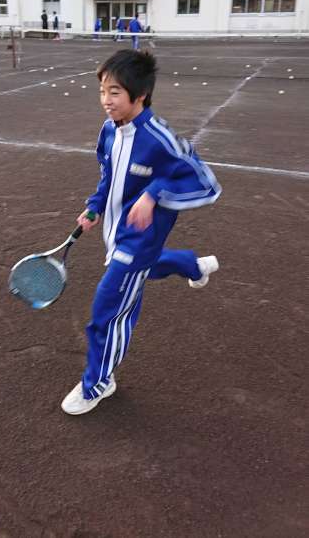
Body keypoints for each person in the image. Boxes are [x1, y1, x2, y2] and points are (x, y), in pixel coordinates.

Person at [61, 49, 222, 415]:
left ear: (141, 94)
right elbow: (108, 175)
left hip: (139, 240)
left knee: (108, 310)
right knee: (143, 269)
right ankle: (192, 266)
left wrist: (153, 194)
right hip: (117, 233)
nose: (106, 100)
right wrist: (95, 206)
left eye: (115, 92)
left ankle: (98, 383)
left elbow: (204, 181)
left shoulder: (160, 138)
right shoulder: (109, 130)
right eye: (102, 91)